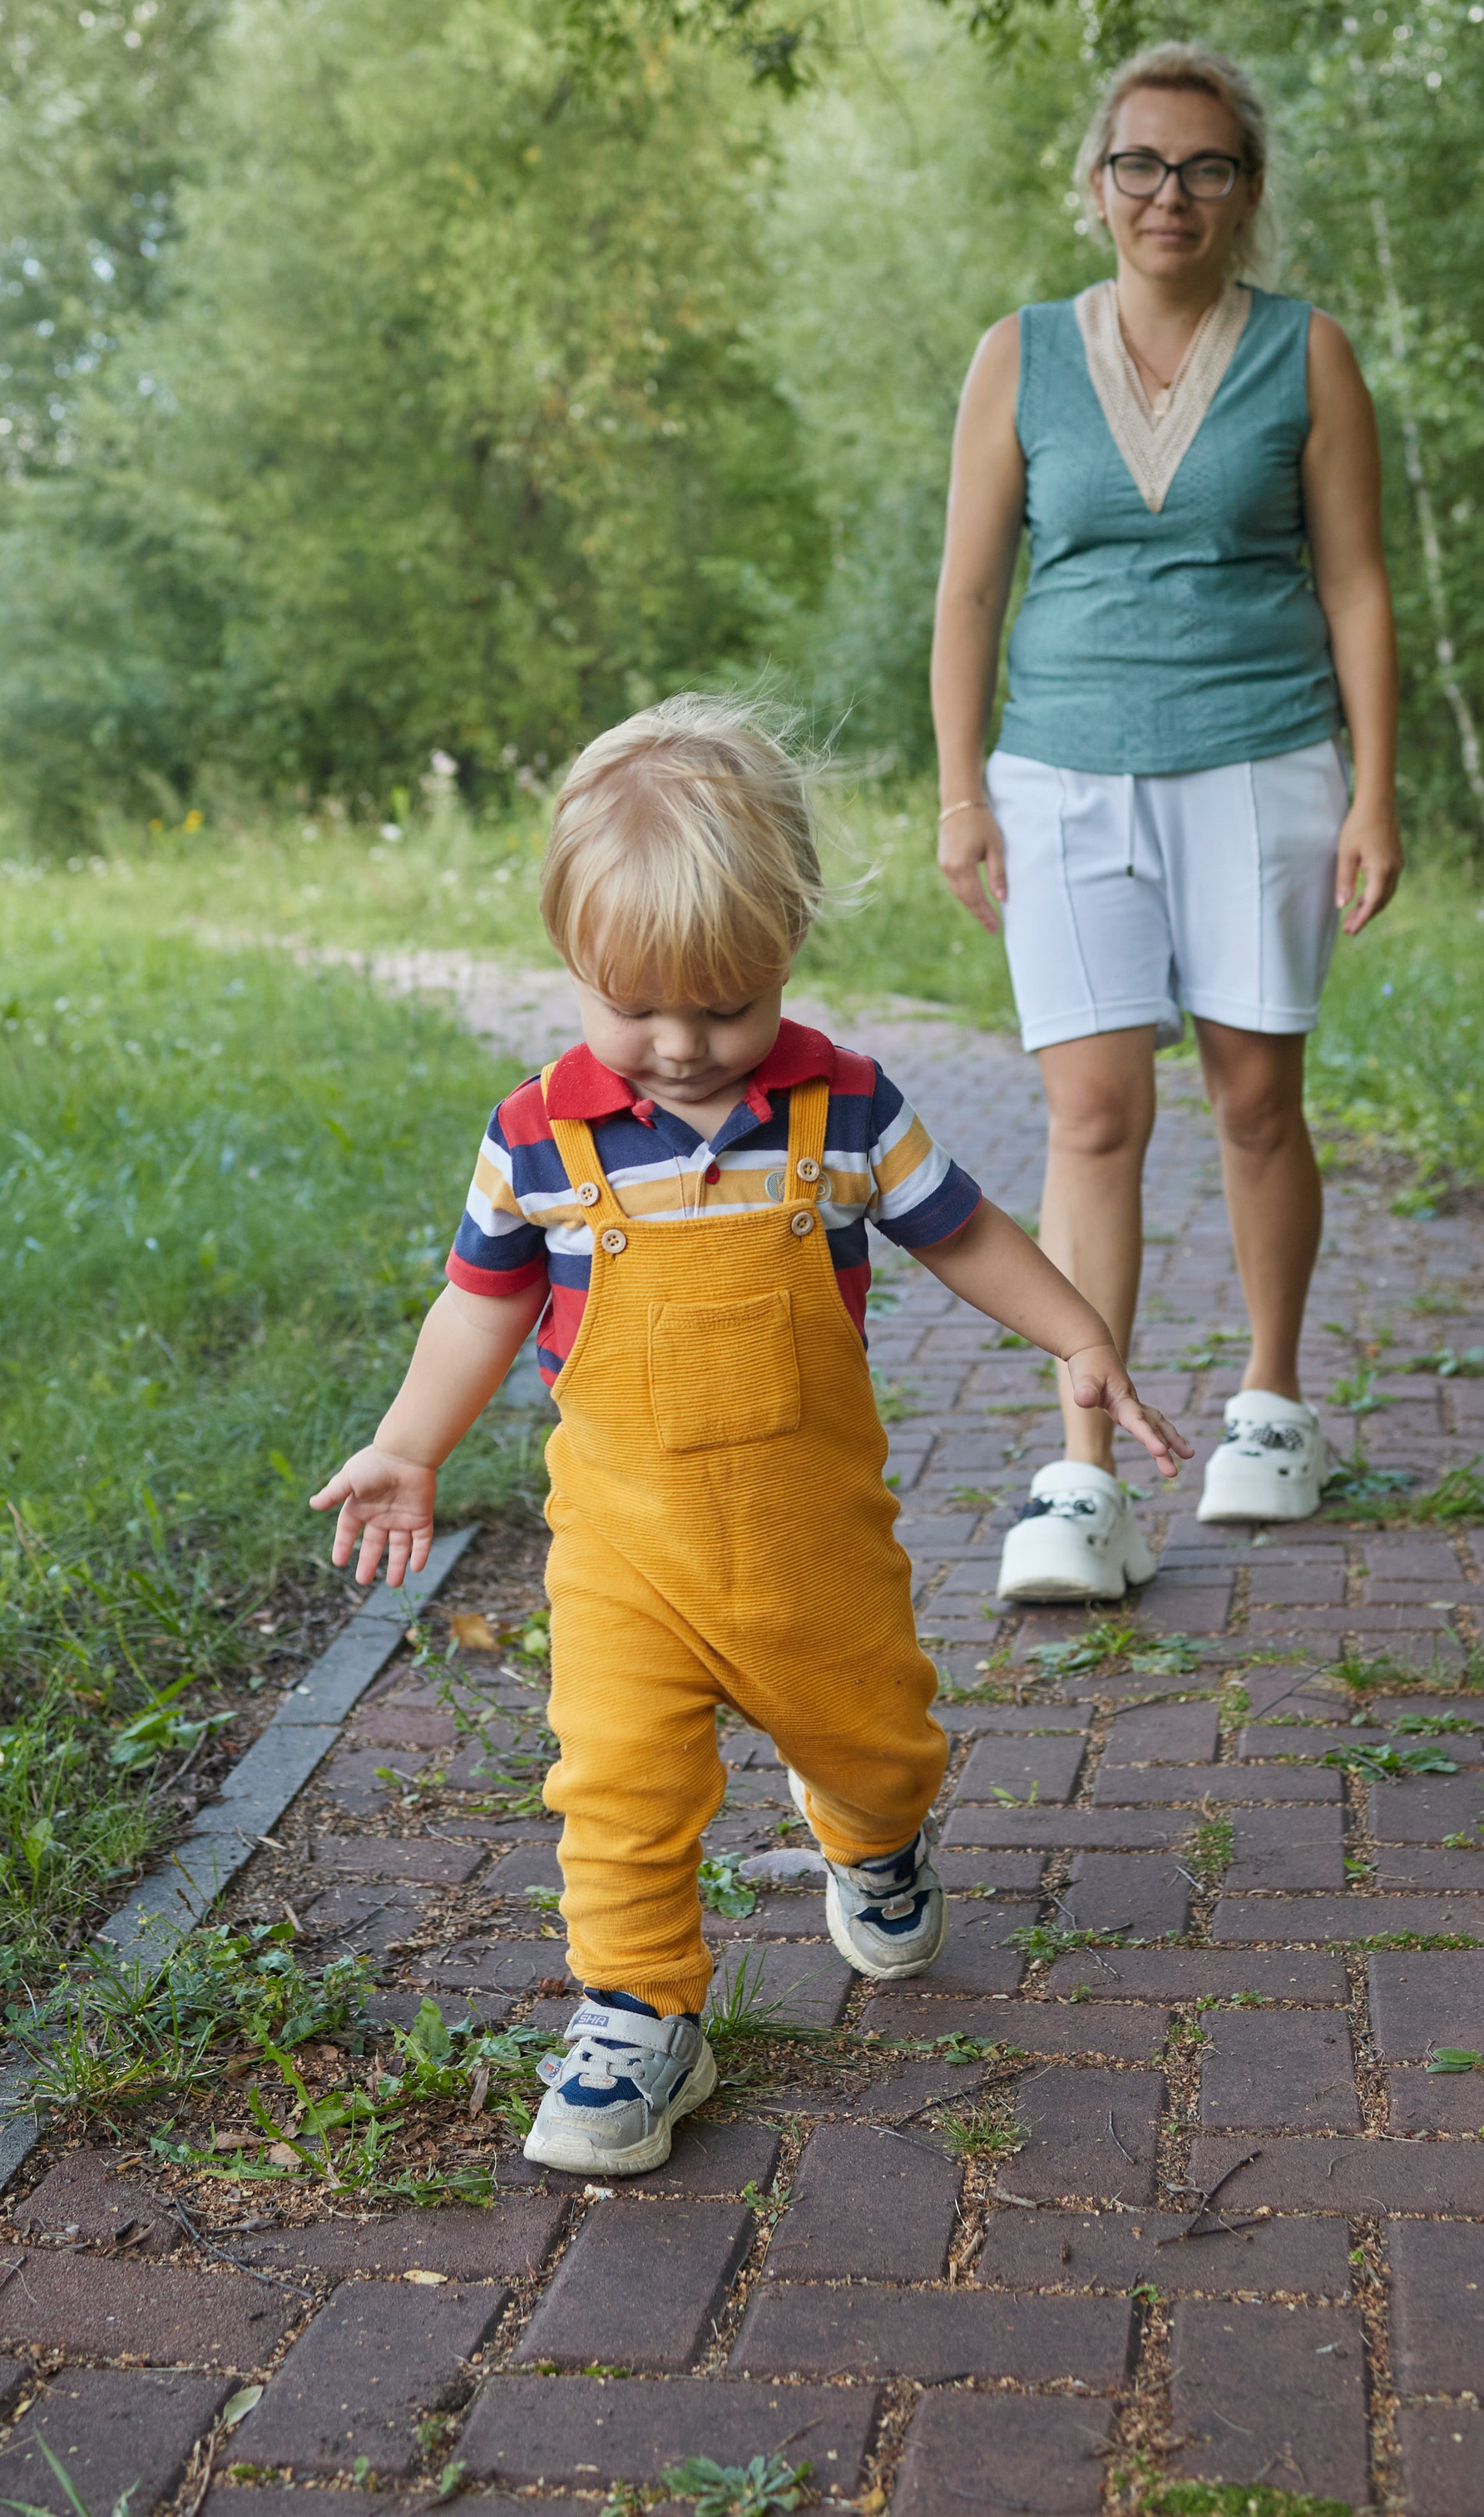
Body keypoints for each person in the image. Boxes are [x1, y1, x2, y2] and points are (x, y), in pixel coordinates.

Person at [311, 695, 1191, 2174]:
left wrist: (1078, 1334)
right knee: (615, 1780)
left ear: (788, 945)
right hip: (625, 1548)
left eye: (723, 1007)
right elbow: (476, 1307)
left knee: (880, 1739)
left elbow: (963, 1232)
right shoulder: (537, 1137)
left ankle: (877, 1832)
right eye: (635, 1006)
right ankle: (639, 2014)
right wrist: (412, 1444)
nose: (679, 1047)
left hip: (810, 1540)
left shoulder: (842, 1109)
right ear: (572, 962)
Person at [931, 42, 1402, 1594]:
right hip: (1058, 774)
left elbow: (1353, 584)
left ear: (1246, 193)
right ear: (1096, 187)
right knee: (1092, 1117)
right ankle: (1084, 1477)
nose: (1170, 195)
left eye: (1205, 168)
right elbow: (972, 591)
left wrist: (1376, 791)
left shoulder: (1306, 353)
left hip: (1264, 762)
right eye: (1140, 164)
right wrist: (958, 791)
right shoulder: (1019, 356)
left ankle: (1271, 1404)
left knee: (1256, 1098)